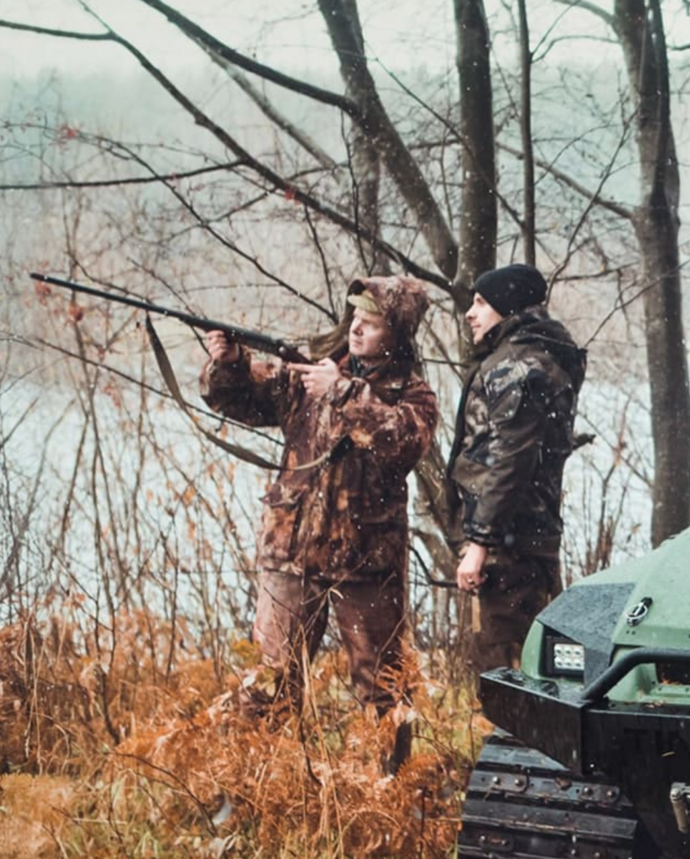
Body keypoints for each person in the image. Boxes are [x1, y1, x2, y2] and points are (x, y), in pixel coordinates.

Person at [200, 276, 439, 775]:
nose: (355, 329)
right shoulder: (310, 377)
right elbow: (241, 400)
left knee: (382, 688)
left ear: (395, 333)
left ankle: (387, 795)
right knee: (269, 682)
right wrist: (229, 364)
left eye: (370, 323)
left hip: (367, 563)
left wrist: (344, 392)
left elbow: (402, 445)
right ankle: (252, 789)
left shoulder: (412, 394)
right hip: (292, 553)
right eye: (354, 318)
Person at [447, 263, 587, 673]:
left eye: (481, 303)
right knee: (530, 667)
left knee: (508, 677)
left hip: (510, 548)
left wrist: (479, 544)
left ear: (506, 308)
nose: (471, 313)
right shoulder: (537, 356)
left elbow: (510, 461)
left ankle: (515, 739)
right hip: (525, 540)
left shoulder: (517, 367)